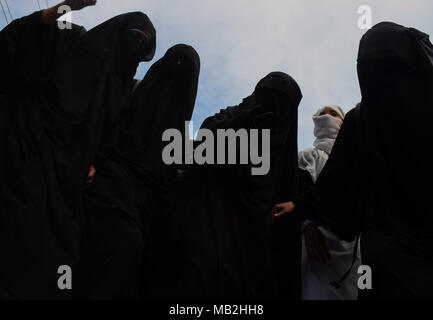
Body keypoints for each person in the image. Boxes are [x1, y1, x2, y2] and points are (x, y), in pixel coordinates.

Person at [0, 2, 156, 299]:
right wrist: (68, 5)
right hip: (24, 152)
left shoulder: (120, 89)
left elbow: (109, 137)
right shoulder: (75, 40)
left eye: (143, 45)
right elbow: (25, 36)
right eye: (134, 36)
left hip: (66, 185)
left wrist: (96, 162)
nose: (135, 46)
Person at [273, 22, 433, 299]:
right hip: (391, 260)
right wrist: (303, 211)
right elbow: (339, 184)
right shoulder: (362, 123)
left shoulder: (365, 120)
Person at [157, 72, 302, 299]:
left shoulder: (286, 163)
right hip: (208, 220)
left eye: (281, 102)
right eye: (267, 97)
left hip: (252, 248)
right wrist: (239, 125)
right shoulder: (233, 116)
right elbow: (203, 139)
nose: (272, 107)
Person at [78, 45, 200, 299]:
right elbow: (100, 125)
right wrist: (90, 158)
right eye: (173, 62)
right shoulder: (129, 94)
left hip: (150, 203)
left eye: (183, 70)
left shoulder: (178, 139)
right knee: (121, 248)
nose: (174, 73)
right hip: (111, 183)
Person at [297, 105, 361, 300]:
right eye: (322, 114)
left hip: (351, 245)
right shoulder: (308, 155)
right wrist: (307, 227)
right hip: (316, 242)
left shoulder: (355, 159)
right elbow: (299, 194)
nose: (326, 117)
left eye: (333, 114)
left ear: (343, 123)